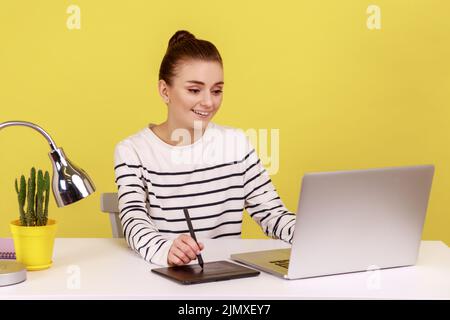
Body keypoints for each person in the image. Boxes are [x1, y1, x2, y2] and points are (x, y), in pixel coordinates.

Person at [114, 30, 296, 267]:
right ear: (164, 90)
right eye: (194, 90)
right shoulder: (133, 151)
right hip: (165, 278)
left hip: (227, 278)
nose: (209, 102)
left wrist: (314, 234)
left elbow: (273, 215)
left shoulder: (237, 143)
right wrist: (166, 249)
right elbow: (133, 218)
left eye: (217, 90)